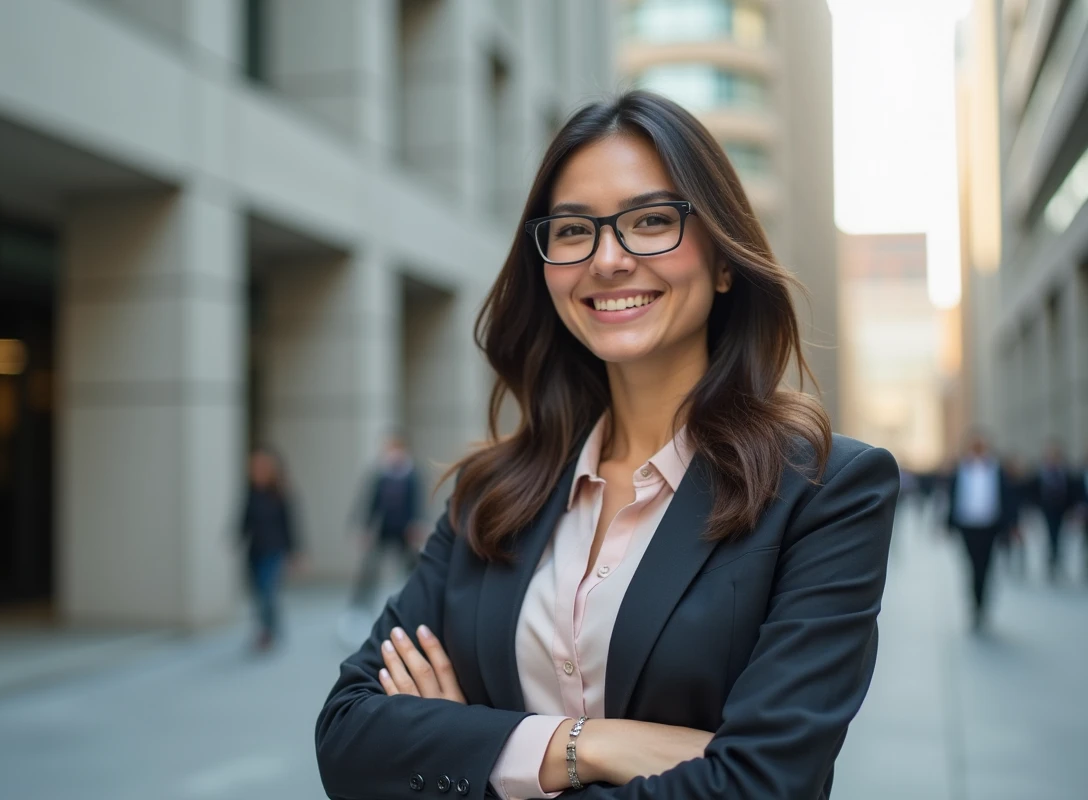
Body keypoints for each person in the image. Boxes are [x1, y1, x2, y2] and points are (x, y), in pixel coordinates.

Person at [315, 91, 899, 800]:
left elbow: (760, 786)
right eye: (572, 231)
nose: (609, 259)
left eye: (651, 221)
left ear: (722, 261)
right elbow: (348, 736)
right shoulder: (491, 495)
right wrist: (589, 745)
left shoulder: (824, 492)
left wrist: (478, 750)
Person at [348, 434, 425, 611]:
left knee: (412, 568)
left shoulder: (412, 474)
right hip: (384, 528)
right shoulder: (381, 475)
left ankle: (418, 601)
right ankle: (359, 606)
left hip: (405, 529)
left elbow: (417, 503)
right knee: (370, 569)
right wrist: (366, 528)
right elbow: (372, 503)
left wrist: (417, 524)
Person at [946, 432, 1008, 629]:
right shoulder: (961, 469)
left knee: (986, 567)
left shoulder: (996, 469)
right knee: (972, 566)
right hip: (968, 525)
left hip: (990, 525)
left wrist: (1010, 525)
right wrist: (948, 524)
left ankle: (982, 604)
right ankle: (975, 604)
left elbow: (1007, 497)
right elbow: (952, 497)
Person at [239, 447, 299, 651]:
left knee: (268, 592)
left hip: (274, 550)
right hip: (255, 550)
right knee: (258, 593)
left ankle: (268, 632)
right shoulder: (252, 491)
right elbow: (244, 518)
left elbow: (290, 523)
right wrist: (237, 536)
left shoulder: (280, 493)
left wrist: (295, 552)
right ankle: (268, 627)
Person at [1032, 441, 1077, 581]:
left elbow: (1071, 491)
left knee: (1060, 536)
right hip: (1048, 509)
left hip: (1061, 509)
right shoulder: (1042, 472)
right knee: (1052, 535)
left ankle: (1057, 558)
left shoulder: (1064, 472)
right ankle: (1052, 559)